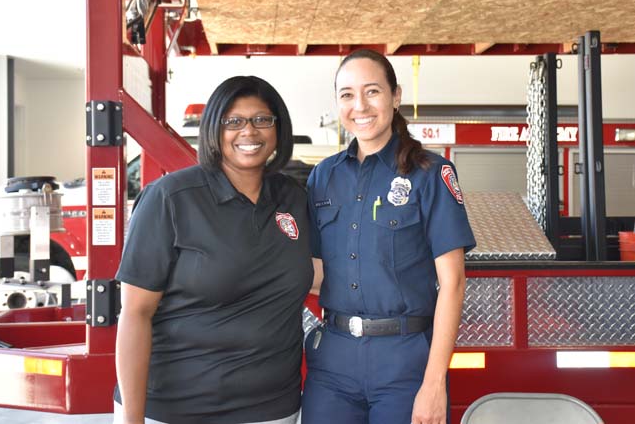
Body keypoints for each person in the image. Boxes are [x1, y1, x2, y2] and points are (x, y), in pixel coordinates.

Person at [114, 76, 314, 424]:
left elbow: (326, 274)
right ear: (212, 130)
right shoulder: (170, 198)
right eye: (232, 122)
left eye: (262, 119)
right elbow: (135, 315)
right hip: (176, 409)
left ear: (278, 128)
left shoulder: (294, 198)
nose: (248, 132)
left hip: (273, 409)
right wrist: (133, 419)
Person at [302, 50, 475, 424]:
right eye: (347, 94)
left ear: (395, 97)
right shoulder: (322, 178)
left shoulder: (431, 174)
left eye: (372, 91)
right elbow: (315, 274)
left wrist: (433, 384)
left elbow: (454, 283)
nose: (359, 105)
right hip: (332, 361)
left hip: (405, 363)